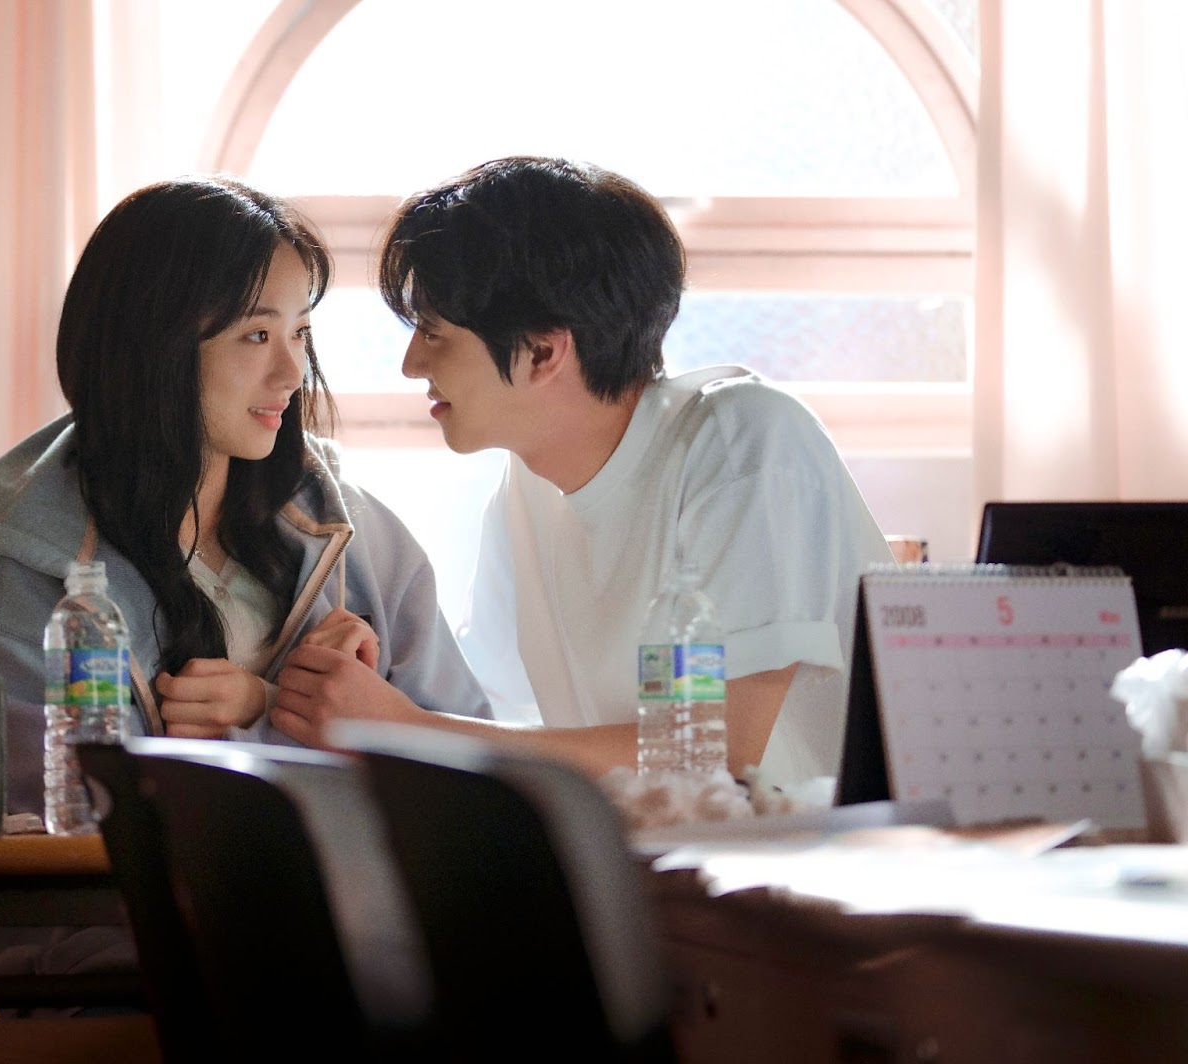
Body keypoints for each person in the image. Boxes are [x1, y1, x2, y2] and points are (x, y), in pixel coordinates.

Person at [0, 175, 490, 1000]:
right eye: (255, 335)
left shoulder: (358, 539)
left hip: (356, 968)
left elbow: (477, 791)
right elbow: (55, 844)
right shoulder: (21, 565)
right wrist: (287, 733)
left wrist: (286, 712)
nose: (292, 370)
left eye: (301, 332)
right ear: (154, 344)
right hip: (127, 983)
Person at [273, 156, 894, 788]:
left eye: (434, 334)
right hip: (656, 842)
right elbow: (493, 719)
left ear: (543, 351)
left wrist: (405, 727)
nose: (411, 364)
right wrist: (367, 674)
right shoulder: (526, 488)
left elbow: (712, 750)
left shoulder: (738, 442)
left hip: (820, 843)